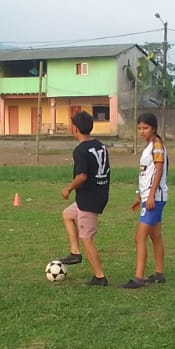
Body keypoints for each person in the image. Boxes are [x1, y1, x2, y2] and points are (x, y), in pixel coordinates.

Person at [58, 110, 111, 286]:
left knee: (86, 237)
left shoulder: (80, 150)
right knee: (68, 214)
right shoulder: (100, 145)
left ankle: (100, 276)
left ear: (75, 128)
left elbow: (82, 176)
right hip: (100, 193)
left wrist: (68, 188)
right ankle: (75, 253)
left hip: (89, 198)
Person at [121, 111, 167, 288]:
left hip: (155, 197)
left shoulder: (157, 145)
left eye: (145, 128)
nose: (141, 131)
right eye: (139, 128)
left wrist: (151, 195)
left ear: (153, 128)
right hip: (149, 196)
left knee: (139, 237)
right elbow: (146, 174)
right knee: (155, 235)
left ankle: (138, 278)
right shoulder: (149, 146)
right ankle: (159, 274)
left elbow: (159, 170)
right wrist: (139, 195)